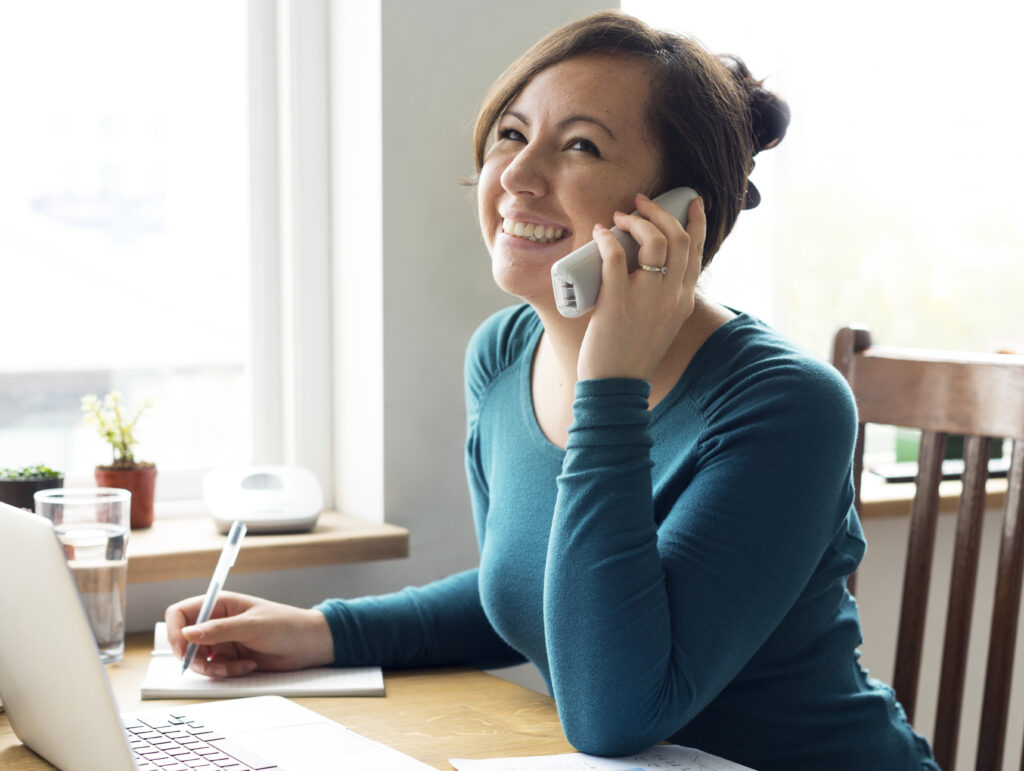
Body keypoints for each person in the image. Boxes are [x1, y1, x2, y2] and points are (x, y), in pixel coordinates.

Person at [166, 11, 939, 770]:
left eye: (579, 146)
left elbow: (613, 712)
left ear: (676, 214)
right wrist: (323, 631)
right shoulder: (504, 355)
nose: (517, 178)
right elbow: (541, 591)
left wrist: (610, 381)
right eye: (511, 133)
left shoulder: (786, 403)